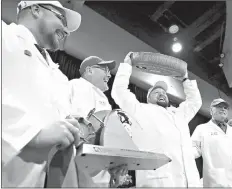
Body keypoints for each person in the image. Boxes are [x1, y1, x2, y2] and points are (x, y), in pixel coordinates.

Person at [2, 1, 82, 187]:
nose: (66, 30)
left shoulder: (59, 76)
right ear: (36, 10)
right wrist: (32, 134)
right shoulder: (4, 35)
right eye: (61, 18)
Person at [111, 52, 203, 187]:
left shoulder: (179, 114)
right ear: (148, 98)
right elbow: (119, 91)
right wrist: (126, 66)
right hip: (159, 182)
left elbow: (195, 101)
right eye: (156, 92)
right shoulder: (140, 110)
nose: (162, 94)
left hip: (191, 183)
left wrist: (185, 80)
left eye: (164, 93)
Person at [69, 56, 127, 187]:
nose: (109, 75)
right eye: (105, 70)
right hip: (81, 172)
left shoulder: (104, 100)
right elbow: (83, 130)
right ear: (89, 70)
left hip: (100, 175)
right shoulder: (78, 85)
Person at [191, 98, 232, 187]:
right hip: (214, 181)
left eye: (225, 107)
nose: (223, 109)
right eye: (219, 106)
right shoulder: (202, 129)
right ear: (211, 110)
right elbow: (192, 150)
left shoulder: (231, 130)